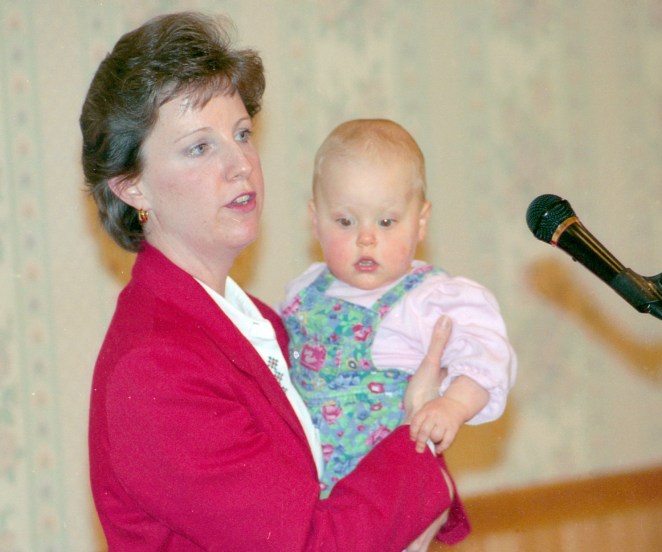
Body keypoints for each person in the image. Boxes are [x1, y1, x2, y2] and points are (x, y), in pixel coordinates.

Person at [81, 12, 469, 551]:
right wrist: (419, 443)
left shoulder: (262, 322)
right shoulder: (155, 368)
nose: (241, 164)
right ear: (132, 188)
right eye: (200, 147)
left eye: (242, 134)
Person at [280, 119, 517, 497]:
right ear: (315, 221)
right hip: (310, 487)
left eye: (387, 222)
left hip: (388, 487)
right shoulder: (304, 291)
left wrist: (452, 406)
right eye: (344, 221)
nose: (366, 239)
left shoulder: (429, 298)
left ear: (420, 222)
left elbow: (485, 357)